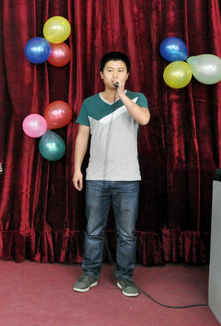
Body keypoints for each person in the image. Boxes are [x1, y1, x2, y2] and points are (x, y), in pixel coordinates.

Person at [71, 51, 150, 297]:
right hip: (96, 178)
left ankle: (125, 277)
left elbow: (143, 119)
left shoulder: (137, 98)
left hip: (128, 178)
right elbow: (82, 136)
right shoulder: (89, 103)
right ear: (101, 74)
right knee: (93, 230)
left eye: (120, 70)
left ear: (127, 75)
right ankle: (90, 273)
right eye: (110, 70)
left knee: (126, 234)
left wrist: (123, 96)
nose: (115, 74)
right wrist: (77, 169)